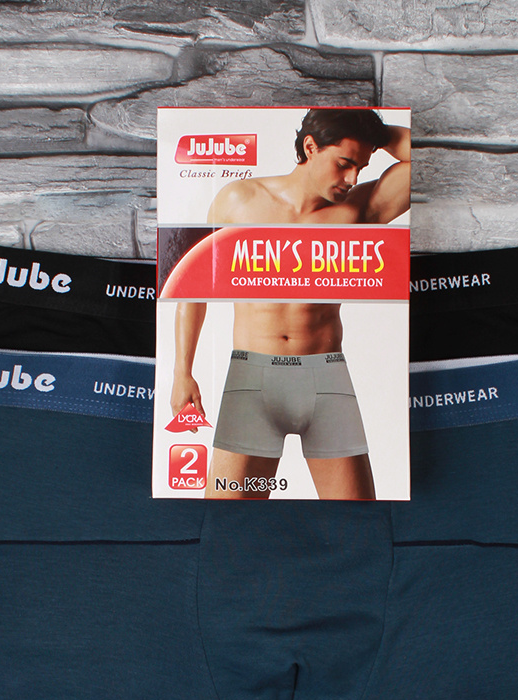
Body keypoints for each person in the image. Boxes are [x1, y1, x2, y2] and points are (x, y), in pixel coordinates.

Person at [169, 108, 411, 499]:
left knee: (357, 524)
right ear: (310, 147)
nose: (352, 179)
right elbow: (192, 287)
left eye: (361, 168)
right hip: (252, 378)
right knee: (227, 524)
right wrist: (183, 372)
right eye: (344, 164)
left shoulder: (357, 212)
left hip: (325, 376)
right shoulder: (238, 200)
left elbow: (423, 159)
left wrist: (374, 133)